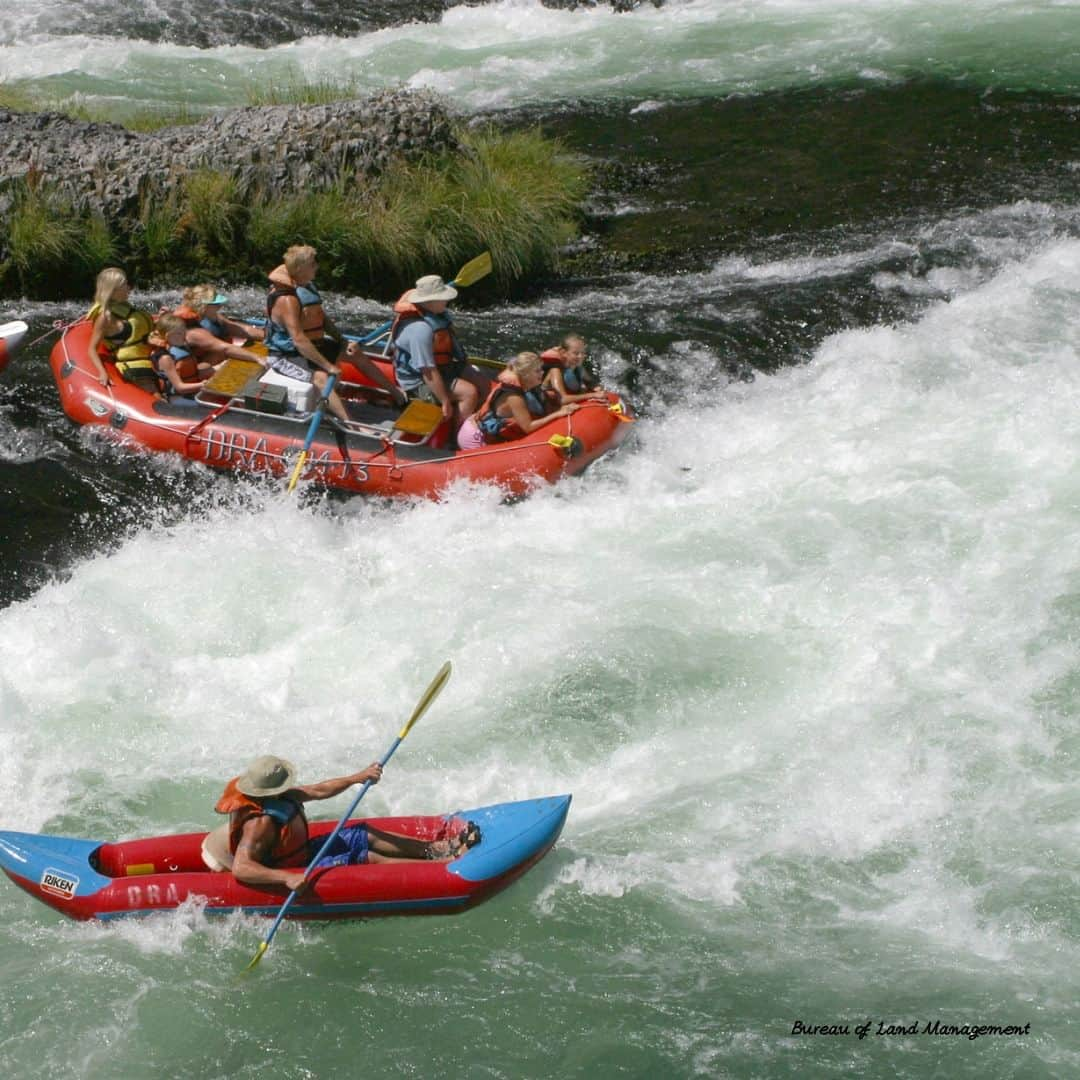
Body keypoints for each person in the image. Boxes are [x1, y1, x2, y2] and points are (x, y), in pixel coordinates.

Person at [201, 754, 481, 891]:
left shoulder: (281, 796)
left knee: (364, 833)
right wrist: (286, 878)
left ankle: (440, 849)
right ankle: (442, 867)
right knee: (367, 856)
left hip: (304, 852)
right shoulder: (260, 823)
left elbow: (319, 790)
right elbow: (242, 867)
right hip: (293, 868)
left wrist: (356, 777)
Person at [264, 246, 404, 425]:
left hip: (314, 344)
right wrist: (328, 366)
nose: (317, 267)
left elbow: (321, 318)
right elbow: (299, 340)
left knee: (354, 353)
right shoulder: (287, 299)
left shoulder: (308, 286)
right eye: (312, 264)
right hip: (286, 355)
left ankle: (397, 394)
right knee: (321, 377)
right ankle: (351, 424)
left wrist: (342, 340)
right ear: (299, 269)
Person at [390, 274, 490, 437]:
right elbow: (428, 371)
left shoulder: (437, 316)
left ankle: (474, 422)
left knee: (483, 383)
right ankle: (459, 437)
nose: (446, 301)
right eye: (442, 298)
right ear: (429, 302)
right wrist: (444, 401)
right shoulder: (420, 329)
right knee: (469, 392)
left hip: (443, 367)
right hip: (417, 380)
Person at [457, 351, 583, 450]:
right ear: (526, 374)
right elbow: (528, 427)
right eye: (537, 370)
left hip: (479, 427)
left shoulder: (521, 384)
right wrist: (559, 413)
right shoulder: (514, 397)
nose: (542, 373)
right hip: (474, 437)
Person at [85, 267, 157, 391]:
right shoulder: (105, 317)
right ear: (112, 289)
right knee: (158, 399)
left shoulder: (125, 308)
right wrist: (103, 373)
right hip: (133, 367)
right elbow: (92, 349)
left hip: (150, 359)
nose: (129, 287)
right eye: (125, 285)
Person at [175, 285, 266, 367]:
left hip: (211, 355)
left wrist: (268, 337)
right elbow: (225, 348)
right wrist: (257, 358)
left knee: (219, 354)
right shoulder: (194, 332)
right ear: (203, 306)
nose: (220, 306)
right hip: (198, 368)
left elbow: (241, 329)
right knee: (219, 354)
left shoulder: (212, 316)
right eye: (216, 304)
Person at [150, 313, 212, 399]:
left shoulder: (181, 348)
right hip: (177, 398)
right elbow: (180, 387)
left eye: (184, 332)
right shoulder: (165, 358)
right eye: (179, 333)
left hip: (192, 393)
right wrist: (203, 384)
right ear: (168, 335)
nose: (184, 336)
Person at [540, 334, 606, 405]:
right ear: (563, 352)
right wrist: (592, 395)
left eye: (583, 353)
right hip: (552, 407)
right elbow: (562, 399)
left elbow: (590, 382)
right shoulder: (556, 370)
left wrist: (596, 387)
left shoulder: (579, 368)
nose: (580, 356)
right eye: (576, 353)